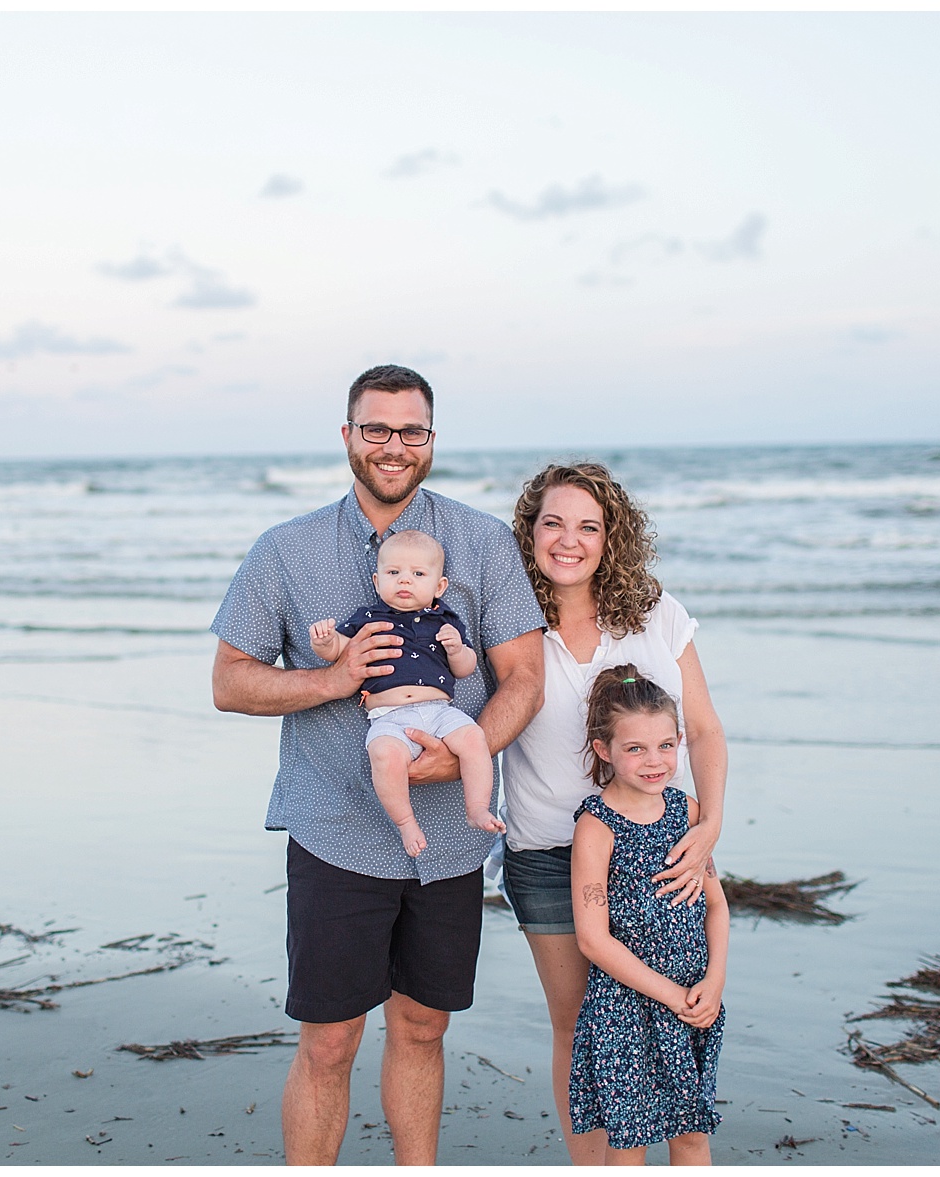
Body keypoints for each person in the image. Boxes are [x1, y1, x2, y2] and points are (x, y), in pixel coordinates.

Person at [210, 364, 545, 1166]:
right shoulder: (284, 551)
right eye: (376, 429)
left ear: (431, 438)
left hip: (452, 841)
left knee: (424, 1028)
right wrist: (332, 679)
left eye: (411, 430)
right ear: (347, 435)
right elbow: (228, 681)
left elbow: (524, 678)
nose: (393, 446)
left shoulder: (482, 542)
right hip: (335, 829)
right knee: (328, 1042)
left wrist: (460, 753)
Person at [499, 462, 728, 1163]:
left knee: (672, 1012)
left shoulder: (655, 614)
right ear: (529, 530)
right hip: (545, 854)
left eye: (588, 526)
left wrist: (709, 825)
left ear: (611, 537)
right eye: (553, 523)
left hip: (657, 848)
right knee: (578, 1025)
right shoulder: (506, 620)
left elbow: (705, 730)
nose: (569, 540)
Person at [568, 665, 728, 1165]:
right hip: (627, 1008)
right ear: (604, 750)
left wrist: (714, 983)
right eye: (635, 748)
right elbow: (593, 940)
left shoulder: (690, 813)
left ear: (680, 740)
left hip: (695, 997)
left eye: (665, 745)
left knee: (692, 1134)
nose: (653, 761)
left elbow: (717, 905)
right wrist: (673, 996)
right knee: (630, 1141)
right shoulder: (597, 827)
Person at [309, 529, 506, 857]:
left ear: (439, 586)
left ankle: (477, 808)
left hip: (439, 710)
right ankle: (405, 822)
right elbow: (340, 650)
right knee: (385, 755)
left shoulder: (445, 620)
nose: (404, 581)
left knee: (474, 739)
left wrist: (456, 649)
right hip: (388, 716)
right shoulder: (369, 618)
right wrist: (325, 642)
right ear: (377, 580)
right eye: (393, 573)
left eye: (417, 574)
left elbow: (466, 667)